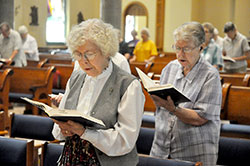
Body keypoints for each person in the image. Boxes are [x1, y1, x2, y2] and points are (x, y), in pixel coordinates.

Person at [51, 18, 145, 166]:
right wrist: (63, 128)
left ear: (106, 51)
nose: (83, 61)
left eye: (89, 53)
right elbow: (58, 128)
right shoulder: (76, 77)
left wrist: (85, 133)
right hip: (72, 158)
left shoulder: (128, 84)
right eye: (78, 54)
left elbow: (125, 140)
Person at [150, 22, 222, 166]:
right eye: (177, 48)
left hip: (193, 152)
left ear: (201, 47)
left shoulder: (210, 76)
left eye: (186, 49)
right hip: (161, 148)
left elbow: (201, 118)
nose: (180, 54)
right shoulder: (169, 68)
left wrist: (174, 109)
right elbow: (161, 107)